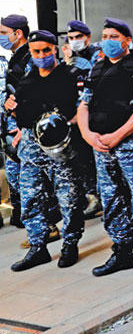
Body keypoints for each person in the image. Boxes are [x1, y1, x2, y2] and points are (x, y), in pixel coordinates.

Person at [77, 18, 133, 281]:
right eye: (104, 35)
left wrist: (117, 136)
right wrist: (88, 135)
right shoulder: (96, 69)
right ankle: (122, 252)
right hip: (102, 147)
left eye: (114, 36)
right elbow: (83, 106)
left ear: (127, 40)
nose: (107, 40)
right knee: (112, 201)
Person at [9, 30, 86, 271]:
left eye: (45, 50)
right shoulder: (27, 80)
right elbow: (18, 110)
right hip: (31, 147)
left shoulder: (69, 76)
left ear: (54, 49)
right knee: (30, 197)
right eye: (36, 52)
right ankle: (38, 247)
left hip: (60, 145)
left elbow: (81, 108)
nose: (41, 55)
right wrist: (10, 108)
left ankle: (70, 244)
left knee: (68, 197)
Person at [61, 20, 103, 220]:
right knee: (83, 159)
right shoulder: (71, 59)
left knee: (99, 158)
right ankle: (92, 195)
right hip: (76, 117)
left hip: (96, 114)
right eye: (71, 38)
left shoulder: (98, 55)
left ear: (87, 36)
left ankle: (103, 196)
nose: (75, 41)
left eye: (79, 37)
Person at [1, 14, 32, 232]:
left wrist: (25, 127)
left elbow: (36, 95)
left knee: (32, 180)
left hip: (26, 129)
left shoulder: (30, 57)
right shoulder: (14, 57)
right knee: (15, 174)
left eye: (3, 33)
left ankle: (43, 226)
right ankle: (24, 216)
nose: (1, 38)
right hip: (12, 128)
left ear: (17, 33)